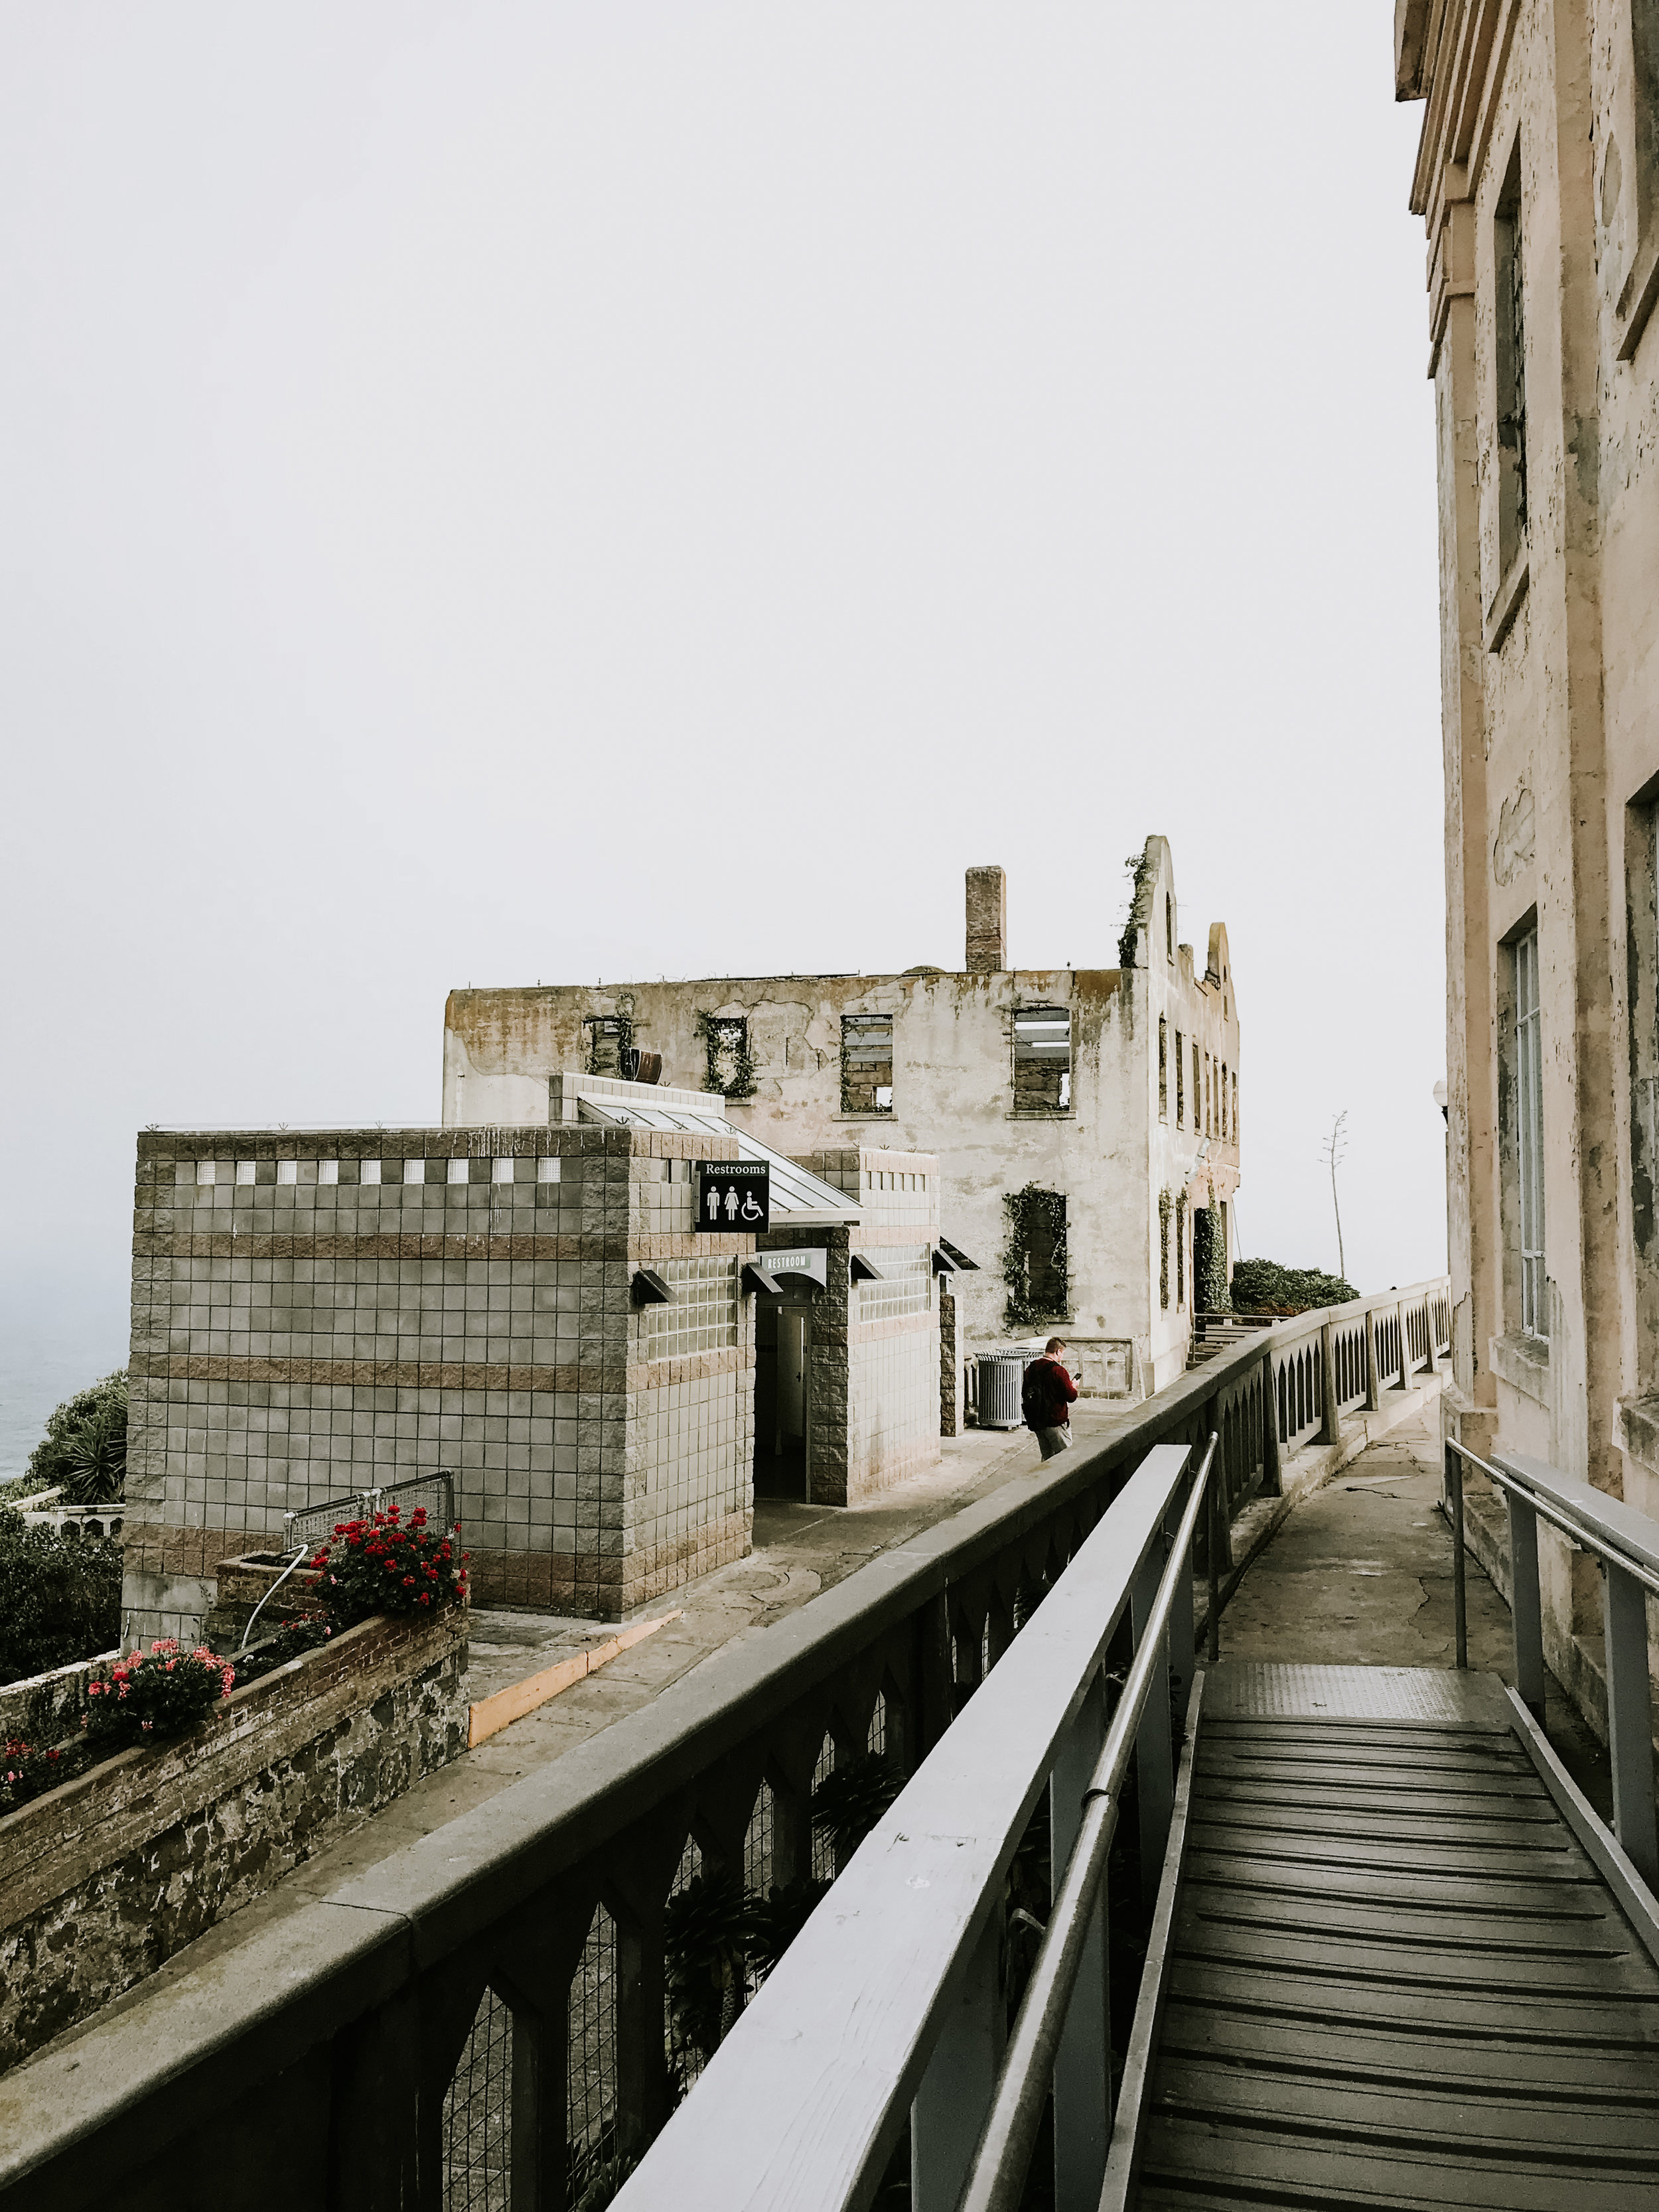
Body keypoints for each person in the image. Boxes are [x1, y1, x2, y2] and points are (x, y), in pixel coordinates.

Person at [1022, 1338, 1078, 1460]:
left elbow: (1024, 1392)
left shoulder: (1031, 1368)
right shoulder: (1059, 1371)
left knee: (1047, 1457)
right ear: (1058, 1352)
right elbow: (1071, 1396)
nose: (1062, 1357)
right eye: (1062, 1353)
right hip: (1055, 1420)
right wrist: (1073, 1386)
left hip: (1037, 1420)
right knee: (1065, 1457)